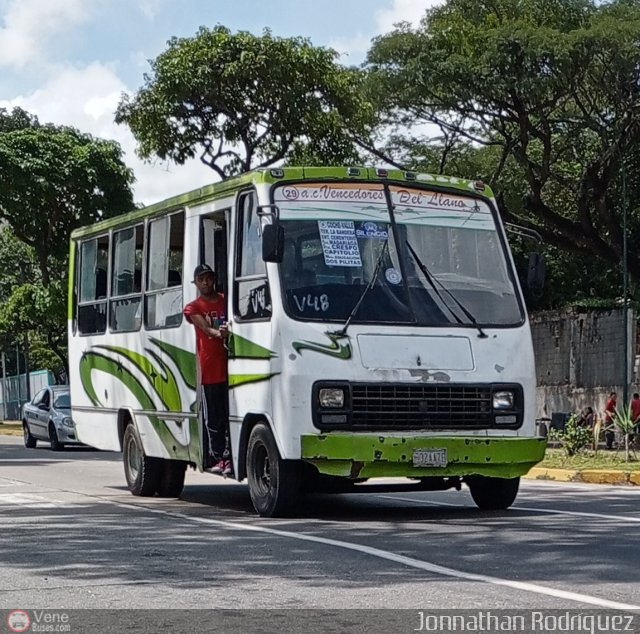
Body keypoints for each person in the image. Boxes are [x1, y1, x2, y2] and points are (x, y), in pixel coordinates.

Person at [184, 264, 232, 476]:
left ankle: (230, 455)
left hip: (231, 366)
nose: (205, 282)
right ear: (195, 283)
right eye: (201, 279)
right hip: (210, 368)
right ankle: (218, 456)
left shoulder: (226, 300)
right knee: (214, 417)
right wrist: (220, 333)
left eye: (209, 278)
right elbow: (205, 328)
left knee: (230, 414)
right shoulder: (193, 307)